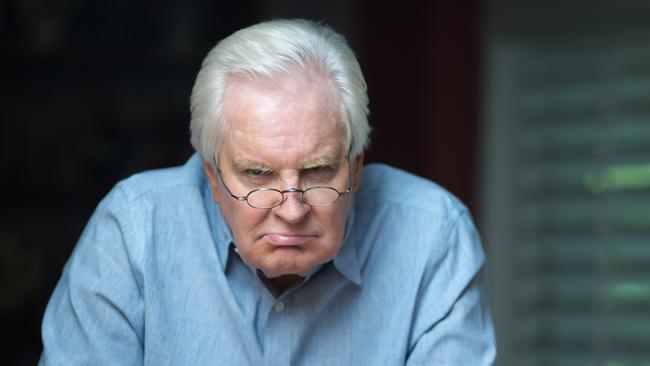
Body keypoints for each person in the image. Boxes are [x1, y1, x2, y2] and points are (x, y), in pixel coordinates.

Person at [39, 19, 496, 365]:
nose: (292, 211)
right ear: (213, 177)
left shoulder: (434, 233)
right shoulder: (135, 226)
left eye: (318, 172)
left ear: (355, 167)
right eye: (257, 174)